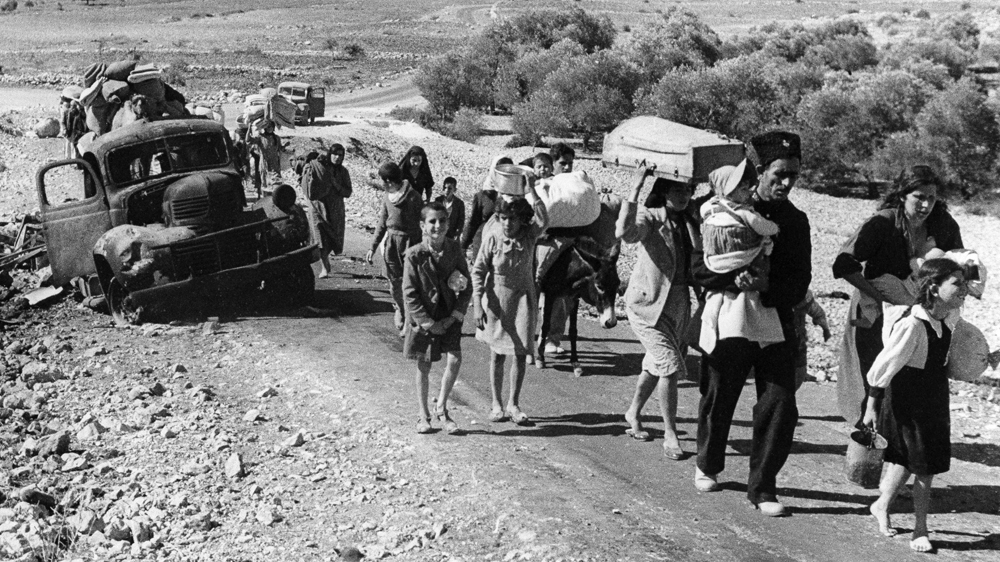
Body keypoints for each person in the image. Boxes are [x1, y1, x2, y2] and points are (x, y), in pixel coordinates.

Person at [693, 131, 811, 518]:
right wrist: (734, 279)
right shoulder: (718, 208)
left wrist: (767, 286)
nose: (786, 183)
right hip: (729, 320)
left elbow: (799, 282)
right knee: (719, 394)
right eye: (779, 174)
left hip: (775, 323)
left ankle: (762, 487)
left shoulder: (795, 221)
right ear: (759, 171)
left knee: (779, 403)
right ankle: (708, 464)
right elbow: (699, 268)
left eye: (793, 175)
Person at [832, 165, 962, 425]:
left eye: (931, 198)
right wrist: (879, 298)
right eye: (919, 197)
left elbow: (960, 263)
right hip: (875, 309)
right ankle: (865, 445)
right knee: (872, 374)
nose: (926, 205)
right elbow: (844, 265)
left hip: (917, 315)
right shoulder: (884, 221)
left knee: (907, 376)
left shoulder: (943, 223)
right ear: (903, 195)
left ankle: (897, 446)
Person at [862, 259, 967, 553]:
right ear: (934, 288)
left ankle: (881, 505)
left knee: (912, 460)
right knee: (923, 467)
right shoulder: (912, 325)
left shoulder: (947, 320)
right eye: (957, 284)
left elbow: (954, 360)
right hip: (908, 402)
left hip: (934, 399)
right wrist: (871, 408)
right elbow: (883, 367)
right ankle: (920, 529)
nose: (964, 290)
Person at [618, 165, 699, 460]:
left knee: (656, 364)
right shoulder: (649, 217)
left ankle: (633, 413)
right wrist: (635, 188)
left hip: (678, 304)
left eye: (688, 190)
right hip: (646, 304)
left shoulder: (690, 219)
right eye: (678, 189)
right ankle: (671, 433)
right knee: (670, 367)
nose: (684, 195)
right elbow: (625, 233)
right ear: (663, 191)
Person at [471, 181, 548, 426]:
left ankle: (514, 404)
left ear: (522, 220)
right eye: (503, 218)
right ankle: (496, 403)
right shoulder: (492, 238)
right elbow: (478, 271)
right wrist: (477, 303)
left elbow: (544, 218)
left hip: (524, 298)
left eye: (512, 218)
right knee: (497, 354)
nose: (507, 223)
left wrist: (531, 190)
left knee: (520, 353)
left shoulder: (529, 235)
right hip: (497, 299)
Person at [698, 159, 784, 356]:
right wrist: (775, 228)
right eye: (743, 188)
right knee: (766, 243)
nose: (749, 191)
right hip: (742, 255)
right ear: (730, 191)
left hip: (714, 261)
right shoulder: (743, 212)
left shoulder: (708, 208)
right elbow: (764, 227)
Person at [402, 202, 473, 435]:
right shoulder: (414, 255)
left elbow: (467, 286)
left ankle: (442, 407)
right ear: (423, 226)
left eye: (442, 220)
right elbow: (410, 293)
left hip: (449, 315)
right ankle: (423, 415)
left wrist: (454, 316)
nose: (438, 226)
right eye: (432, 221)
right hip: (426, 319)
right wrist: (428, 323)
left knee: (455, 359)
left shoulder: (454, 249)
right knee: (424, 364)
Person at [366, 162, 424, 336]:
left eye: (384, 180)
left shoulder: (414, 197)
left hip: (409, 244)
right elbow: (382, 223)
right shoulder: (387, 197)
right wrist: (373, 247)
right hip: (391, 244)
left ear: (390, 181)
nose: (382, 184)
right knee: (393, 284)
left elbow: (424, 221)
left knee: (408, 284)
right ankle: (399, 307)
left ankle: (408, 320)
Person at [301, 145, 353, 277]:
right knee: (320, 238)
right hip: (318, 207)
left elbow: (348, 192)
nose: (338, 158)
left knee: (333, 238)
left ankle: (326, 260)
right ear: (330, 154)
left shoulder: (343, 172)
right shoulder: (321, 167)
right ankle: (324, 266)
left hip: (335, 210)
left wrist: (337, 186)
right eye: (335, 154)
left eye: (341, 155)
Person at [461, 155, 511, 256]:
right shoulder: (483, 196)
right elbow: (473, 222)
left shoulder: (517, 197)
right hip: (482, 245)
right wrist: (463, 245)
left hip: (505, 248)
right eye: (500, 172)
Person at [433, 177, 465, 241]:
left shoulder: (459, 203)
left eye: (450, 188)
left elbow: (461, 220)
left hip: (451, 235)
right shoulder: (438, 200)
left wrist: (458, 233)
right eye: (445, 188)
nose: (447, 190)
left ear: (454, 190)